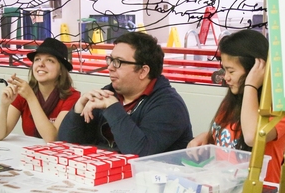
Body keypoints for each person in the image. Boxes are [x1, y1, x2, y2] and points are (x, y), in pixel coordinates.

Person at [57, 31, 192, 156]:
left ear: (143, 71)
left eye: (118, 62)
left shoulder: (169, 106)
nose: (110, 67)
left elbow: (138, 153)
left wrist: (112, 108)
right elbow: (64, 145)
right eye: (110, 60)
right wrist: (77, 110)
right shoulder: (109, 93)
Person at [187, 29, 285, 183]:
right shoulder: (233, 99)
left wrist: (251, 85)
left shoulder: (280, 107)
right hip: (226, 187)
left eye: (231, 71)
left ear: (255, 69)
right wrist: (206, 137)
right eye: (225, 70)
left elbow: (251, 137)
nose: (226, 77)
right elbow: (230, 136)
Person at [0, 36, 81, 142]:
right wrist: (4, 106)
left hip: (59, 155)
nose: (41, 64)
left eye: (50, 60)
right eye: (37, 59)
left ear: (61, 70)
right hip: (31, 153)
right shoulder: (23, 93)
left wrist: (31, 98)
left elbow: (52, 138)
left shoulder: (72, 97)